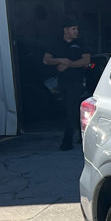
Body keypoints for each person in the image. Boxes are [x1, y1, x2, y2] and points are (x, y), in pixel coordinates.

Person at [42, 18, 90, 150]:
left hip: (78, 81)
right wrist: (60, 60)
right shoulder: (56, 44)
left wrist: (69, 64)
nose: (76, 31)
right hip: (62, 82)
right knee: (71, 109)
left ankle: (67, 141)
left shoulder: (80, 43)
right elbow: (46, 60)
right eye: (74, 29)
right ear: (66, 30)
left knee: (72, 108)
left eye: (77, 29)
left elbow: (86, 60)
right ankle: (81, 137)